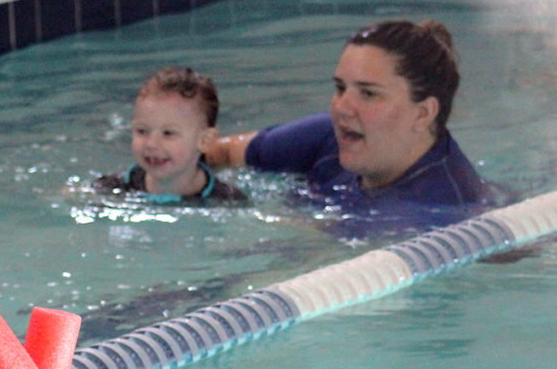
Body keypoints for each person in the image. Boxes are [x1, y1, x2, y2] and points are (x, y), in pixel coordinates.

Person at [201, 19, 504, 232]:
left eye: (368, 93)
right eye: (340, 88)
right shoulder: (332, 137)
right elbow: (221, 154)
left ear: (423, 114)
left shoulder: (443, 215)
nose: (342, 107)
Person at [94, 66, 247, 206]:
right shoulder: (111, 190)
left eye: (168, 133)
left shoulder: (228, 202)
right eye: (142, 131)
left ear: (204, 141)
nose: (151, 143)